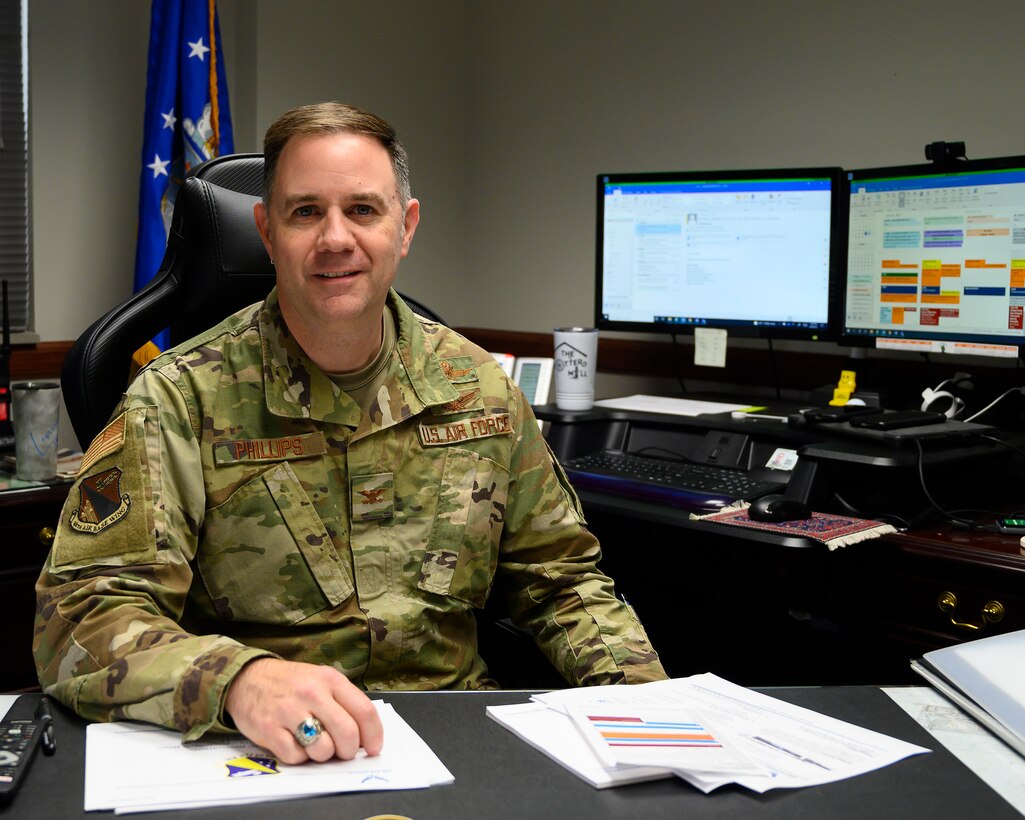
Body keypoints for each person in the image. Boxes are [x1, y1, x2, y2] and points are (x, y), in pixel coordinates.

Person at [33, 101, 666, 765]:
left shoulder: (478, 387)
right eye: (305, 211)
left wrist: (652, 706)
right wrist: (235, 679)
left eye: (363, 210)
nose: (336, 237)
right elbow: (80, 619)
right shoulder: (177, 399)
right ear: (267, 232)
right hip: (263, 751)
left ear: (405, 227)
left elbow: (561, 582)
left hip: (455, 744)